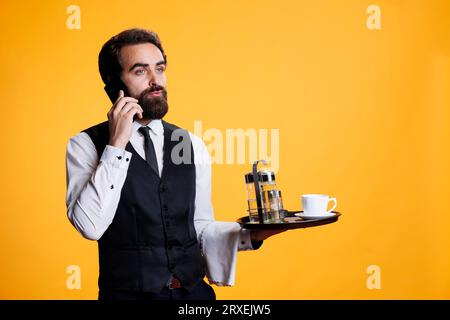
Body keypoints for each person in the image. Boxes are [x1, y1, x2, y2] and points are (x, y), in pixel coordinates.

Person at [65, 28, 284, 301]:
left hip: (194, 298)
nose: (156, 81)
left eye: (160, 68)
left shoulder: (189, 143)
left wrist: (253, 235)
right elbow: (90, 226)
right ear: (114, 86)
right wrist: (116, 145)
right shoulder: (85, 145)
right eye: (140, 72)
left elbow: (200, 228)